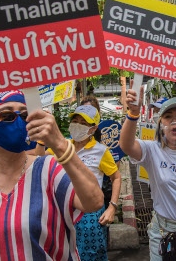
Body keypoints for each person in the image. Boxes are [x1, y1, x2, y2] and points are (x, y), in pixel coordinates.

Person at [0, 90, 103, 260]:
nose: (18, 121)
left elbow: (94, 202)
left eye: (25, 114)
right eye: (7, 115)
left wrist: (60, 144)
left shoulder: (49, 170)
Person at [120, 89, 176, 260]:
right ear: (160, 124)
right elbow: (126, 145)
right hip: (162, 231)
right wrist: (133, 113)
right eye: (168, 117)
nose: (174, 121)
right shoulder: (152, 149)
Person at [39, 104, 121, 260]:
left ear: (93, 128)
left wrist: (112, 207)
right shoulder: (61, 146)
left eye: (83, 123)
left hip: (90, 214)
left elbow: (116, 177)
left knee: (91, 255)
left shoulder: (101, 151)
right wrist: (42, 141)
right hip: (61, 210)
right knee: (61, 252)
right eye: (75, 121)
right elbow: (39, 160)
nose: (77, 126)